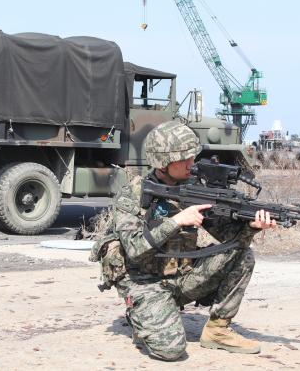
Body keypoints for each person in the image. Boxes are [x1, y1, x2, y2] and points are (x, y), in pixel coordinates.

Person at [93, 121, 276, 361]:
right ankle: (141, 314)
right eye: (184, 159)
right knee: (171, 351)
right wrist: (176, 221)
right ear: (163, 161)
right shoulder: (133, 195)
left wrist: (251, 226)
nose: (192, 163)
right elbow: (135, 249)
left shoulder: (193, 189)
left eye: (193, 156)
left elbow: (227, 239)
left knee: (242, 255)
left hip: (184, 275)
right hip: (145, 283)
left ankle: (218, 331)